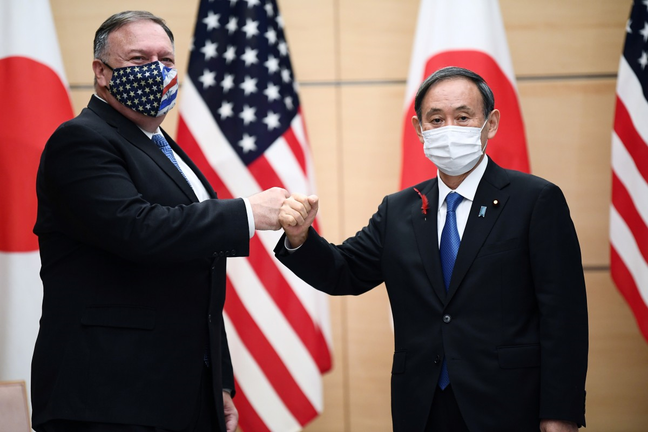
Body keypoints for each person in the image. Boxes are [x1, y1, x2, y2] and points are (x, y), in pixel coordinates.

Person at [275, 66, 588, 432]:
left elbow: (563, 316)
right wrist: (300, 237)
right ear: (419, 129)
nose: (449, 129)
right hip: (421, 407)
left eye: (463, 117)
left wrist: (560, 411)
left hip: (508, 404)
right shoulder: (398, 210)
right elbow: (343, 271)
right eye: (436, 119)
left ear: (491, 124)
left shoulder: (535, 200)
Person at [31, 10, 288, 432]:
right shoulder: (81, 139)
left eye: (166, 60)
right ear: (101, 71)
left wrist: (218, 380)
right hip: (109, 397)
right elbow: (137, 229)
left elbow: (195, 272)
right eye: (138, 59)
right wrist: (245, 212)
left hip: (182, 391)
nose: (156, 70)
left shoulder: (159, 144)